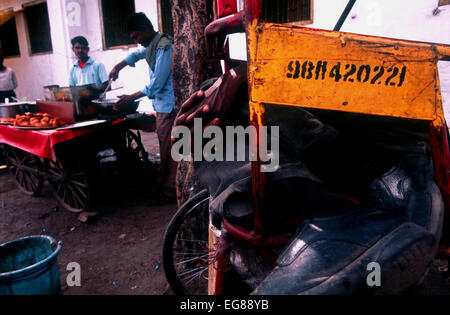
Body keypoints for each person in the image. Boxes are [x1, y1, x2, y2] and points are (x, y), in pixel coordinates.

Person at [172, 62, 445, 294]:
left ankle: (333, 218)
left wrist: (239, 76)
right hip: (388, 151)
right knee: (218, 114)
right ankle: (361, 208)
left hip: (384, 141)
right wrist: (234, 78)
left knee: (223, 115)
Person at [109, 12, 177, 202]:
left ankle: (169, 193)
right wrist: (118, 66)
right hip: (163, 106)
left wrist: (130, 97)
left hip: (169, 107)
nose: (137, 42)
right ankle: (167, 187)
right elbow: (137, 54)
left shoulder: (164, 47)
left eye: (136, 37)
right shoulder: (152, 44)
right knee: (167, 149)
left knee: (169, 151)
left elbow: (157, 84)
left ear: (146, 30)